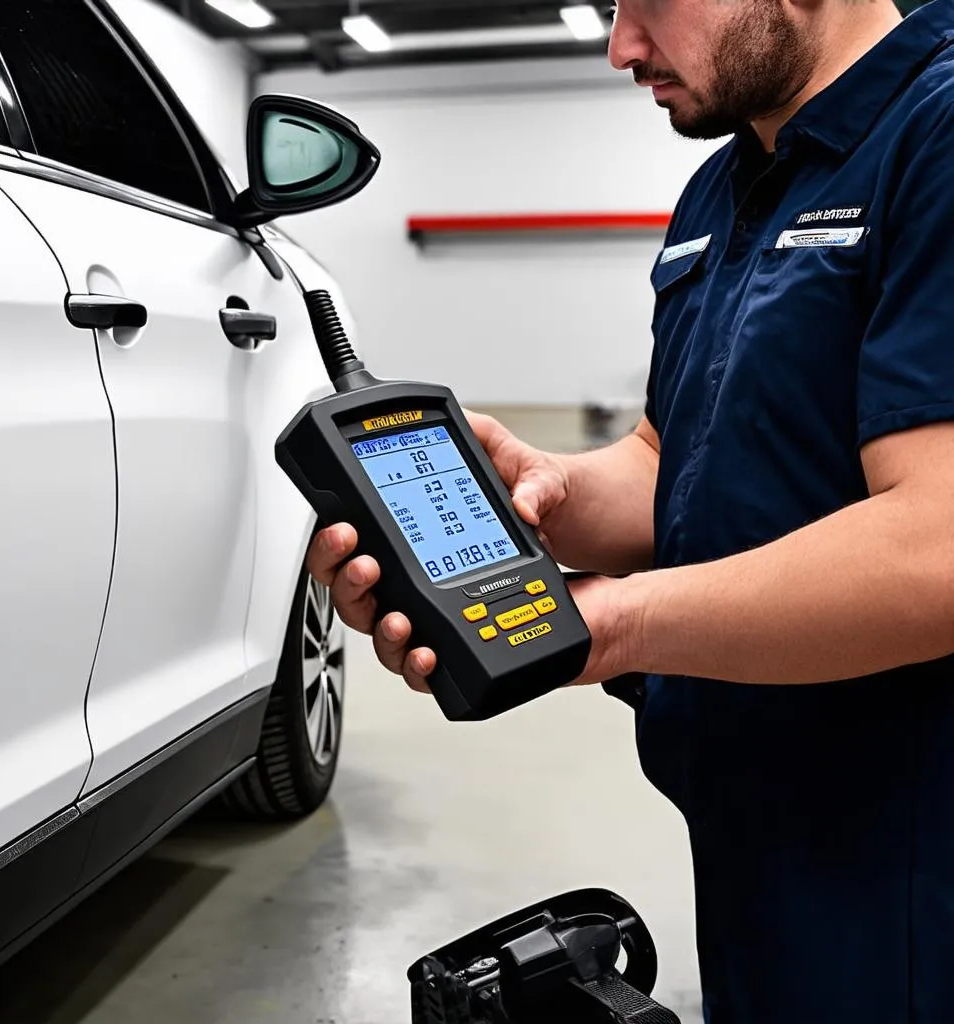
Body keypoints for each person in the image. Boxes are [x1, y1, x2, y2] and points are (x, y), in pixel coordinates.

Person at [308, 0, 954, 1019]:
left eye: (647, 2)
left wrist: (613, 624)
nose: (621, 46)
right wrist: (542, 492)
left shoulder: (938, 133)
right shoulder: (723, 183)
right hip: (752, 820)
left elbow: (937, 547)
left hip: (908, 848)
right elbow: (673, 461)